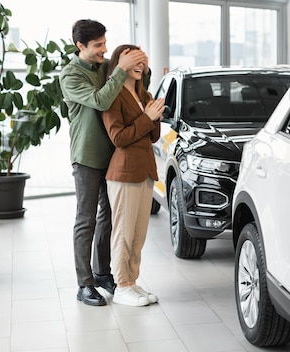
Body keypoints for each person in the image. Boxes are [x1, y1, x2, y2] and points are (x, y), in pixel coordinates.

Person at [59, 19, 150, 306]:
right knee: (86, 220)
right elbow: (100, 100)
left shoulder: (105, 66)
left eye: (104, 43)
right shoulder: (70, 75)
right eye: (98, 45)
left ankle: (102, 273)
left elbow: (129, 87)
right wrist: (120, 69)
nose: (104, 49)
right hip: (87, 157)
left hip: (113, 155)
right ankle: (84, 284)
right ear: (80, 46)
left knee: (109, 218)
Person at [101, 44, 164, 307]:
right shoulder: (113, 95)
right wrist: (147, 116)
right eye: (135, 60)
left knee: (138, 234)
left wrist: (154, 115)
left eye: (144, 60)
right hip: (124, 172)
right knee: (124, 233)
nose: (141, 65)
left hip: (145, 170)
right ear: (121, 62)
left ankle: (132, 281)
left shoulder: (144, 93)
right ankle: (121, 284)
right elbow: (119, 137)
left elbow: (153, 136)